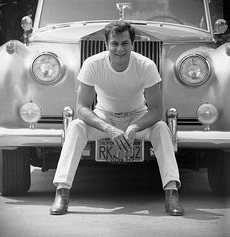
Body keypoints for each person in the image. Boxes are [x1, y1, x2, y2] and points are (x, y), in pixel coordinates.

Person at [50, 20, 184, 216]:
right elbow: (81, 108)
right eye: (114, 43)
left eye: (124, 43)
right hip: (104, 117)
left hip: (137, 116)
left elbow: (156, 110)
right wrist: (109, 129)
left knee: (162, 128)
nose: (119, 49)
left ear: (132, 44)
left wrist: (135, 127)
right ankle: (62, 192)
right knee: (76, 127)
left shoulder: (146, 65)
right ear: (107, 45)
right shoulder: (92, 64)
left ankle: (171, 193)